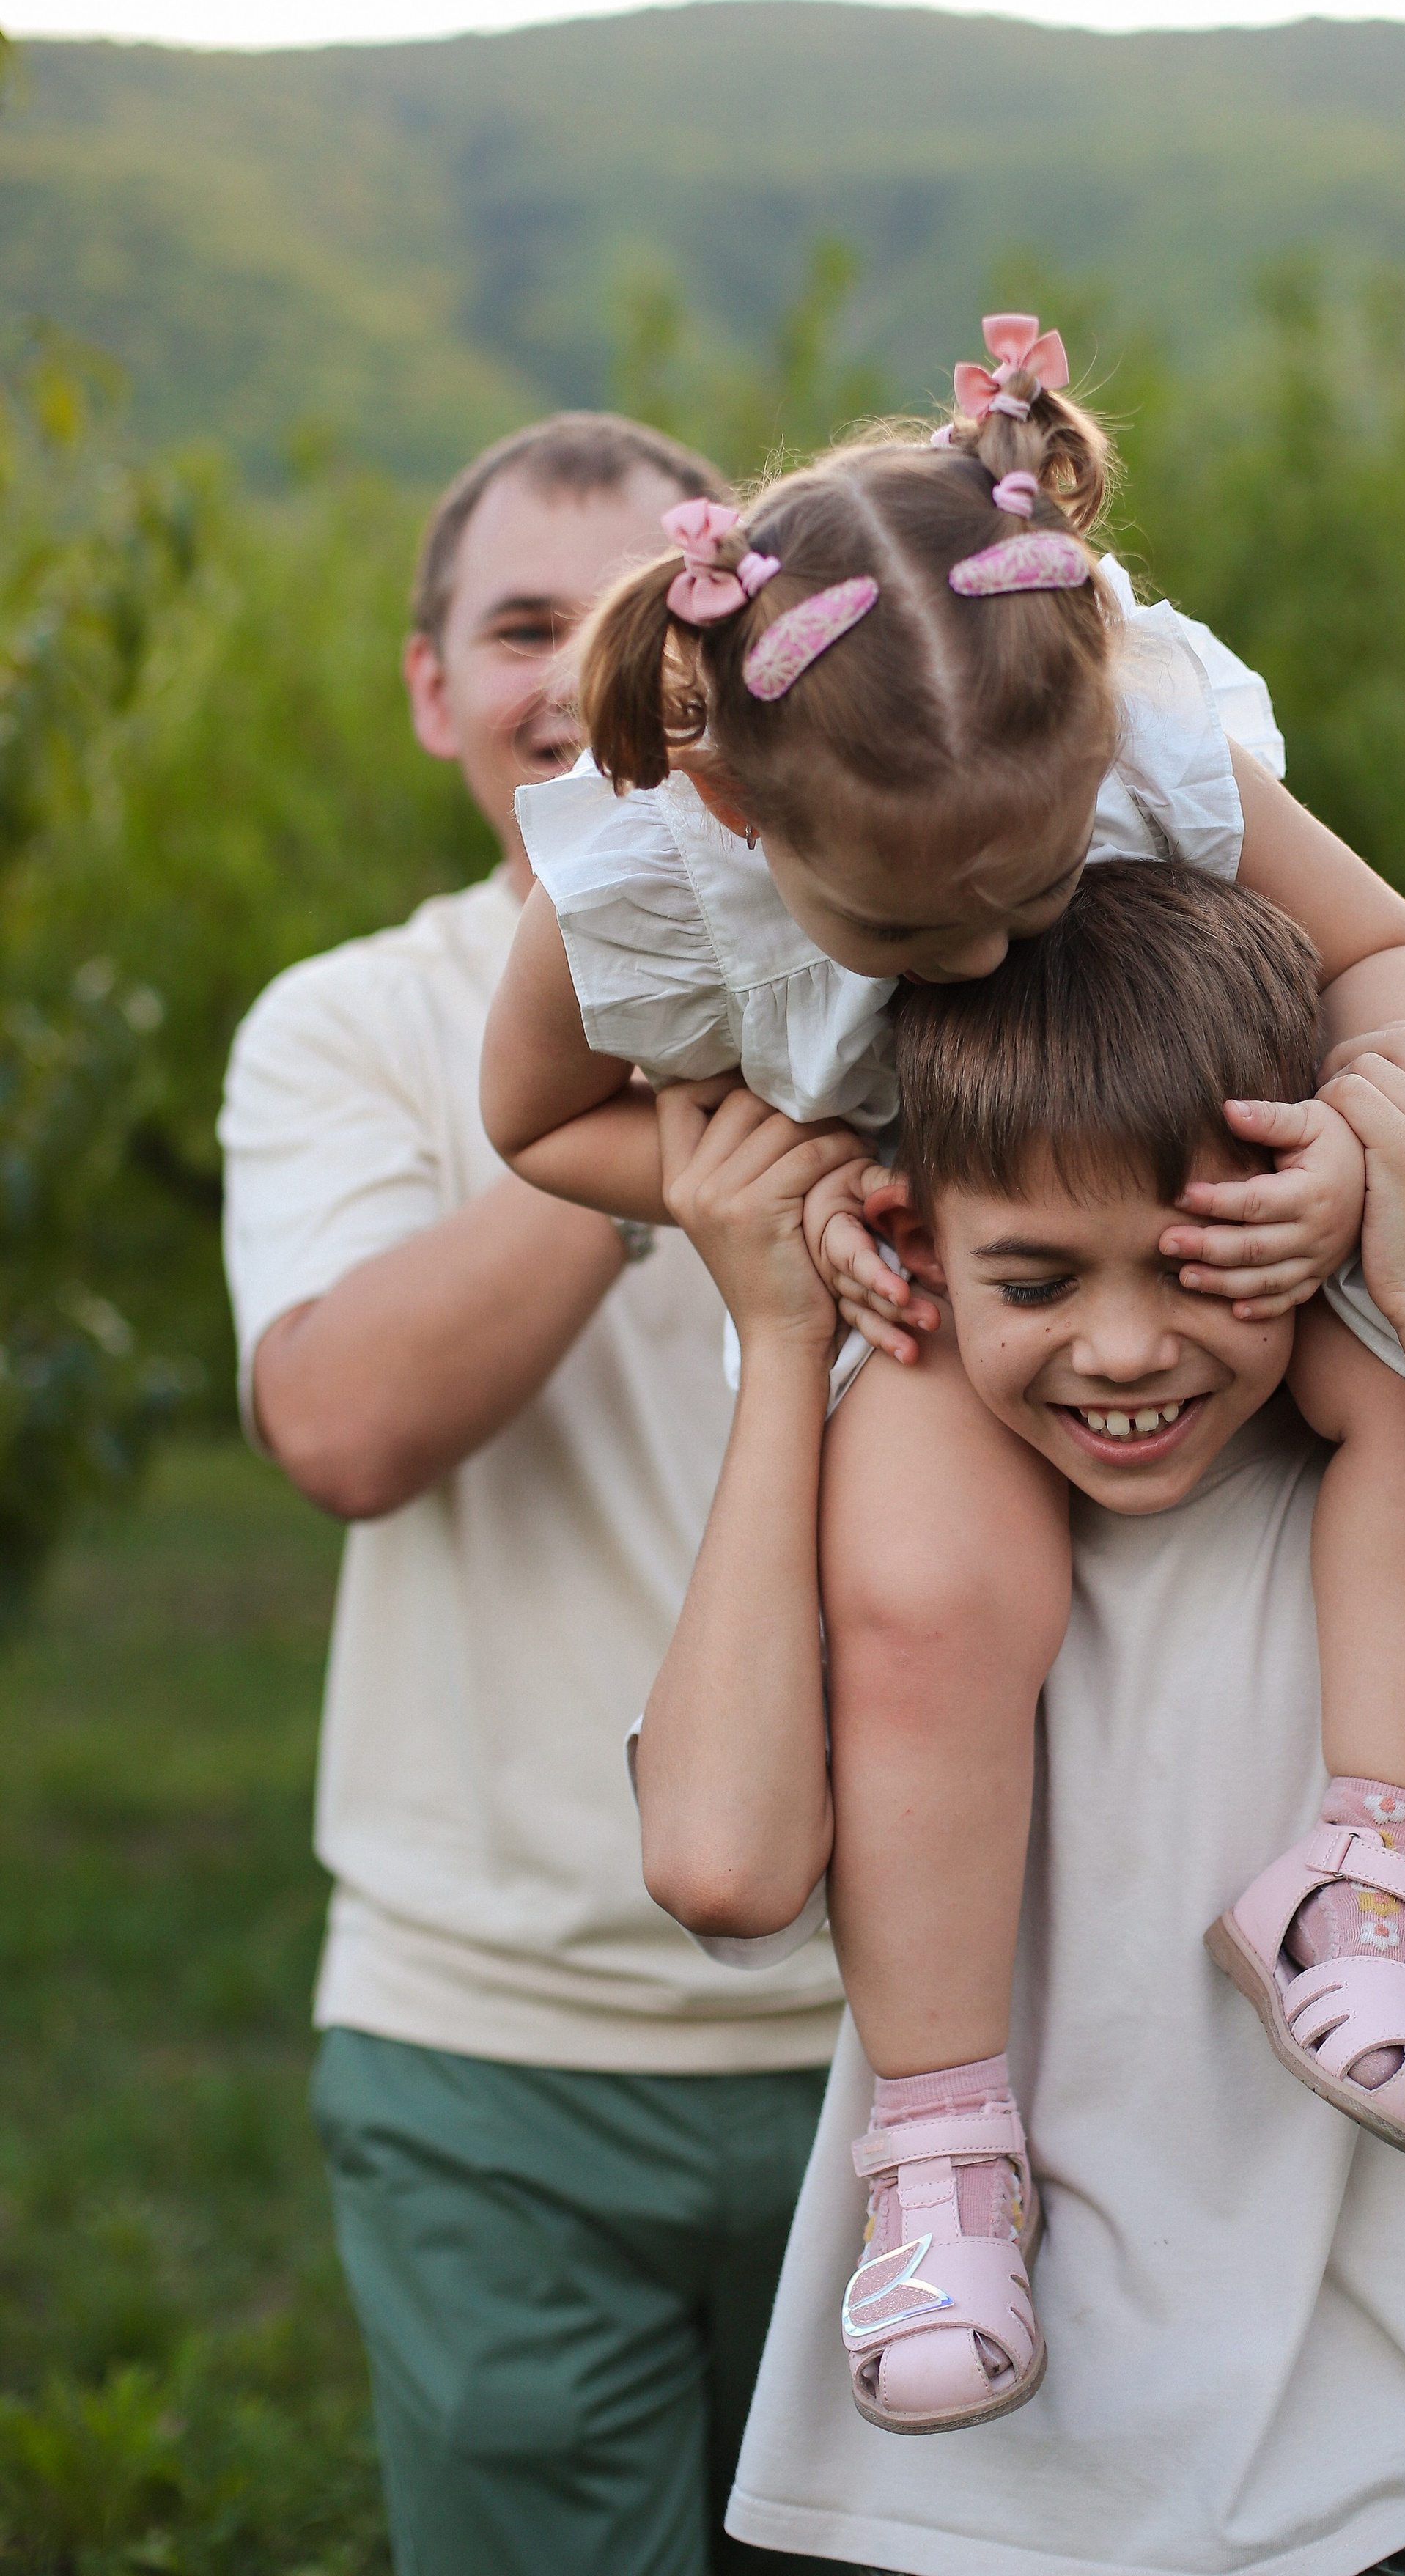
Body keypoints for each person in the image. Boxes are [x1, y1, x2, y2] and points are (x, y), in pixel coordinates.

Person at [484, 320, 1405, 2426]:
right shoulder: (650, 860)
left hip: (1208, 1205)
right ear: (732, 800)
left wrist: (1346, 1140)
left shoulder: (1143, 728)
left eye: (1040, 888)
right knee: (922, 1597)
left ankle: (1371, 1879)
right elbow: (540, 1125)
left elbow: (1394, 957)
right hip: (942, 1294)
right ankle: (948, 2154)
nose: (988, 952)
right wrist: (756, 1195)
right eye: (912, 938)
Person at [634, 858, 1405, 2576]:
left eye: (1199, 1259)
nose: (1125, 1351)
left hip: (1357, 2503)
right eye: (1034, 1283)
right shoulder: (893, 1556)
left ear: (1307, 1207)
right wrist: (780, 1349)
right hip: (933, 2511)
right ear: (919, 1252)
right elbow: (718, 1864)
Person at [218, 413, 850, 2576]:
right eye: (517, 630)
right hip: (491, 2054)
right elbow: (343, 1430)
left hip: (928, 2034)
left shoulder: (922, 978)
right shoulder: (344, 1028)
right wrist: (641, 1123)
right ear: (430, 688)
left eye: (636, 618)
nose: (569, 677)